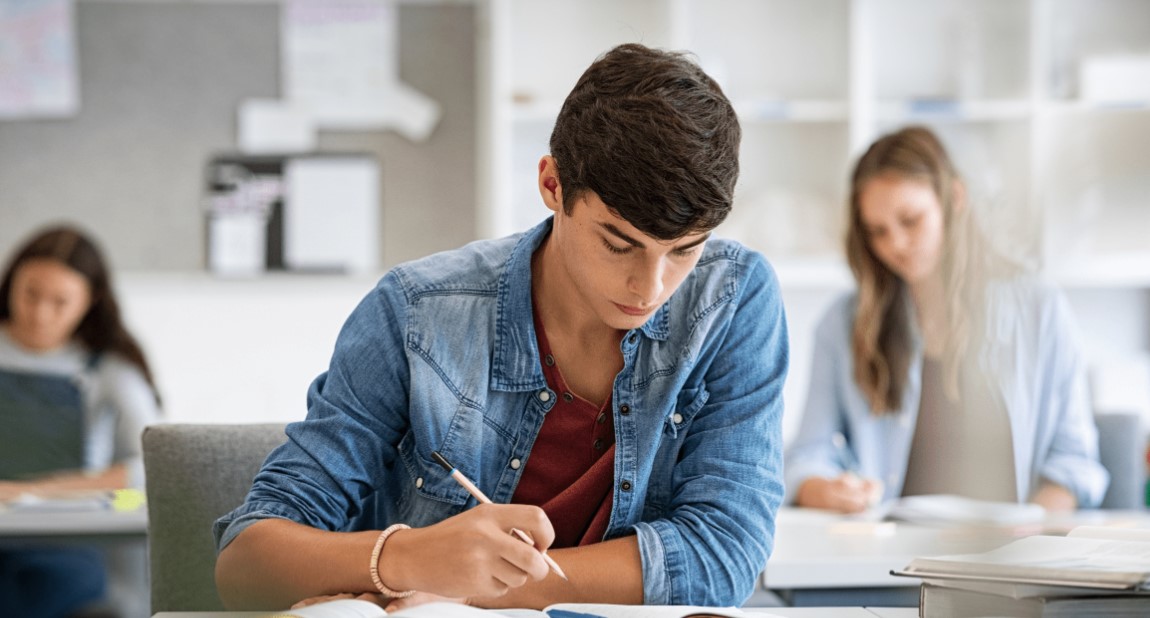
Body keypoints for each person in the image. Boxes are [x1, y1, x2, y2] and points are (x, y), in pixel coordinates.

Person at [213, 43, 788, 611]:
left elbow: (723, 558)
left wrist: (471, 588)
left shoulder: (733, 299)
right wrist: (408, 558)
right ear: (552, 184)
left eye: (685, 251)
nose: (652, 286)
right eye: (619, 243)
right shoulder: (417, 311)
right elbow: (245, 563)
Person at [785, 126, 1108, 514]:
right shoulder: (843, 323)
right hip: (887, 563)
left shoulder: (1041, 310)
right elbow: (805, 457)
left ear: (955, 198)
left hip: (1009, 561)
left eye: (910, 220)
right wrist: (826, 490)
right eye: (877, 232)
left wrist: (1029, 537)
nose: (895, 245)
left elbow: (1074, 463)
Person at [0, 224, 162, 618]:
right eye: (31, 294)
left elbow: (153, 465)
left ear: (89, 302)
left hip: (65, 548)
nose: (40, 313)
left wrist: (33, 491)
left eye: (60, 302)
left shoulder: (108, 371)